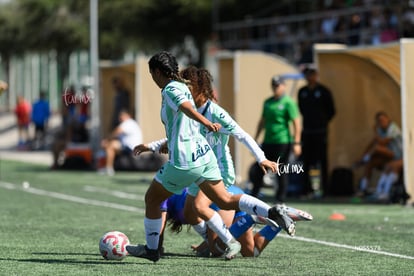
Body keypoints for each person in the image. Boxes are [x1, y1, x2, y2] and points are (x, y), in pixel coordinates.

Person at [125, 51, 295, 263]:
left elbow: (186, 110)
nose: (152, 78)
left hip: (187, 161)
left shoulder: (171, 89)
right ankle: (270, 212)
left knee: (153, 198)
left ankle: (152, 251)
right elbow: (180, 126)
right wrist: (155, 145)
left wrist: (206, 123)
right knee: (218, 201)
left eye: (152, 74)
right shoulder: (185, 88)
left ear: (158, 72)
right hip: (204, 157)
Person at [252, 75, 302, 203]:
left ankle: (280, 199)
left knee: (281, 170)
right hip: (268, 141)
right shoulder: (268, 102)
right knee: (260, 168)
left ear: (283, 86)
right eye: (274, 85)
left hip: (282, 142)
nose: (276, 88)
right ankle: (254, 196)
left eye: (278, 85)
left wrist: (296, 142)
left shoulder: (288, 102)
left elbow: (296, 123)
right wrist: (255, 139)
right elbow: (262, 121)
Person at [297, 66, 335, 198]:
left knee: (322, 161)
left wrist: (321, 122)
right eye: (308, 74)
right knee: (306, 161)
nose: (310, 77)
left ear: (316, 75)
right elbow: (301, 109)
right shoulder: (302, 92)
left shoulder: (324, 91)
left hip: (320, 132)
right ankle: (306, 190)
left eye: (312, 74)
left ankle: (325, 190)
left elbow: (331, 111)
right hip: (307, 132)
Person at [354, 111, 403, 197]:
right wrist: (363, 154)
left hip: (399, 155)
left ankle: (386, 192)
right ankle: (364, 188)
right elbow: (372, 143)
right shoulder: (380, 129)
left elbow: (382, 143)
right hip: (390, 156)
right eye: (379, 121)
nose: (382, 122)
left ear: (388, 120)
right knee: (370, 163)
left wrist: (375, 132)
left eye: (383, 120)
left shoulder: (393, 127)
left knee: (378, 149)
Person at [99, 109, 142, 176]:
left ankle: (109, 168)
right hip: (129, 147)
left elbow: (117, 131)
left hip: (131, 148)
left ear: (128, 116)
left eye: (122, 116)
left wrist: (107, 140)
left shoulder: (128, 122)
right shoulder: (130, 123)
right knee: (110, 145)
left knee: (111, 146)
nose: (120, 118)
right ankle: (107, 166)